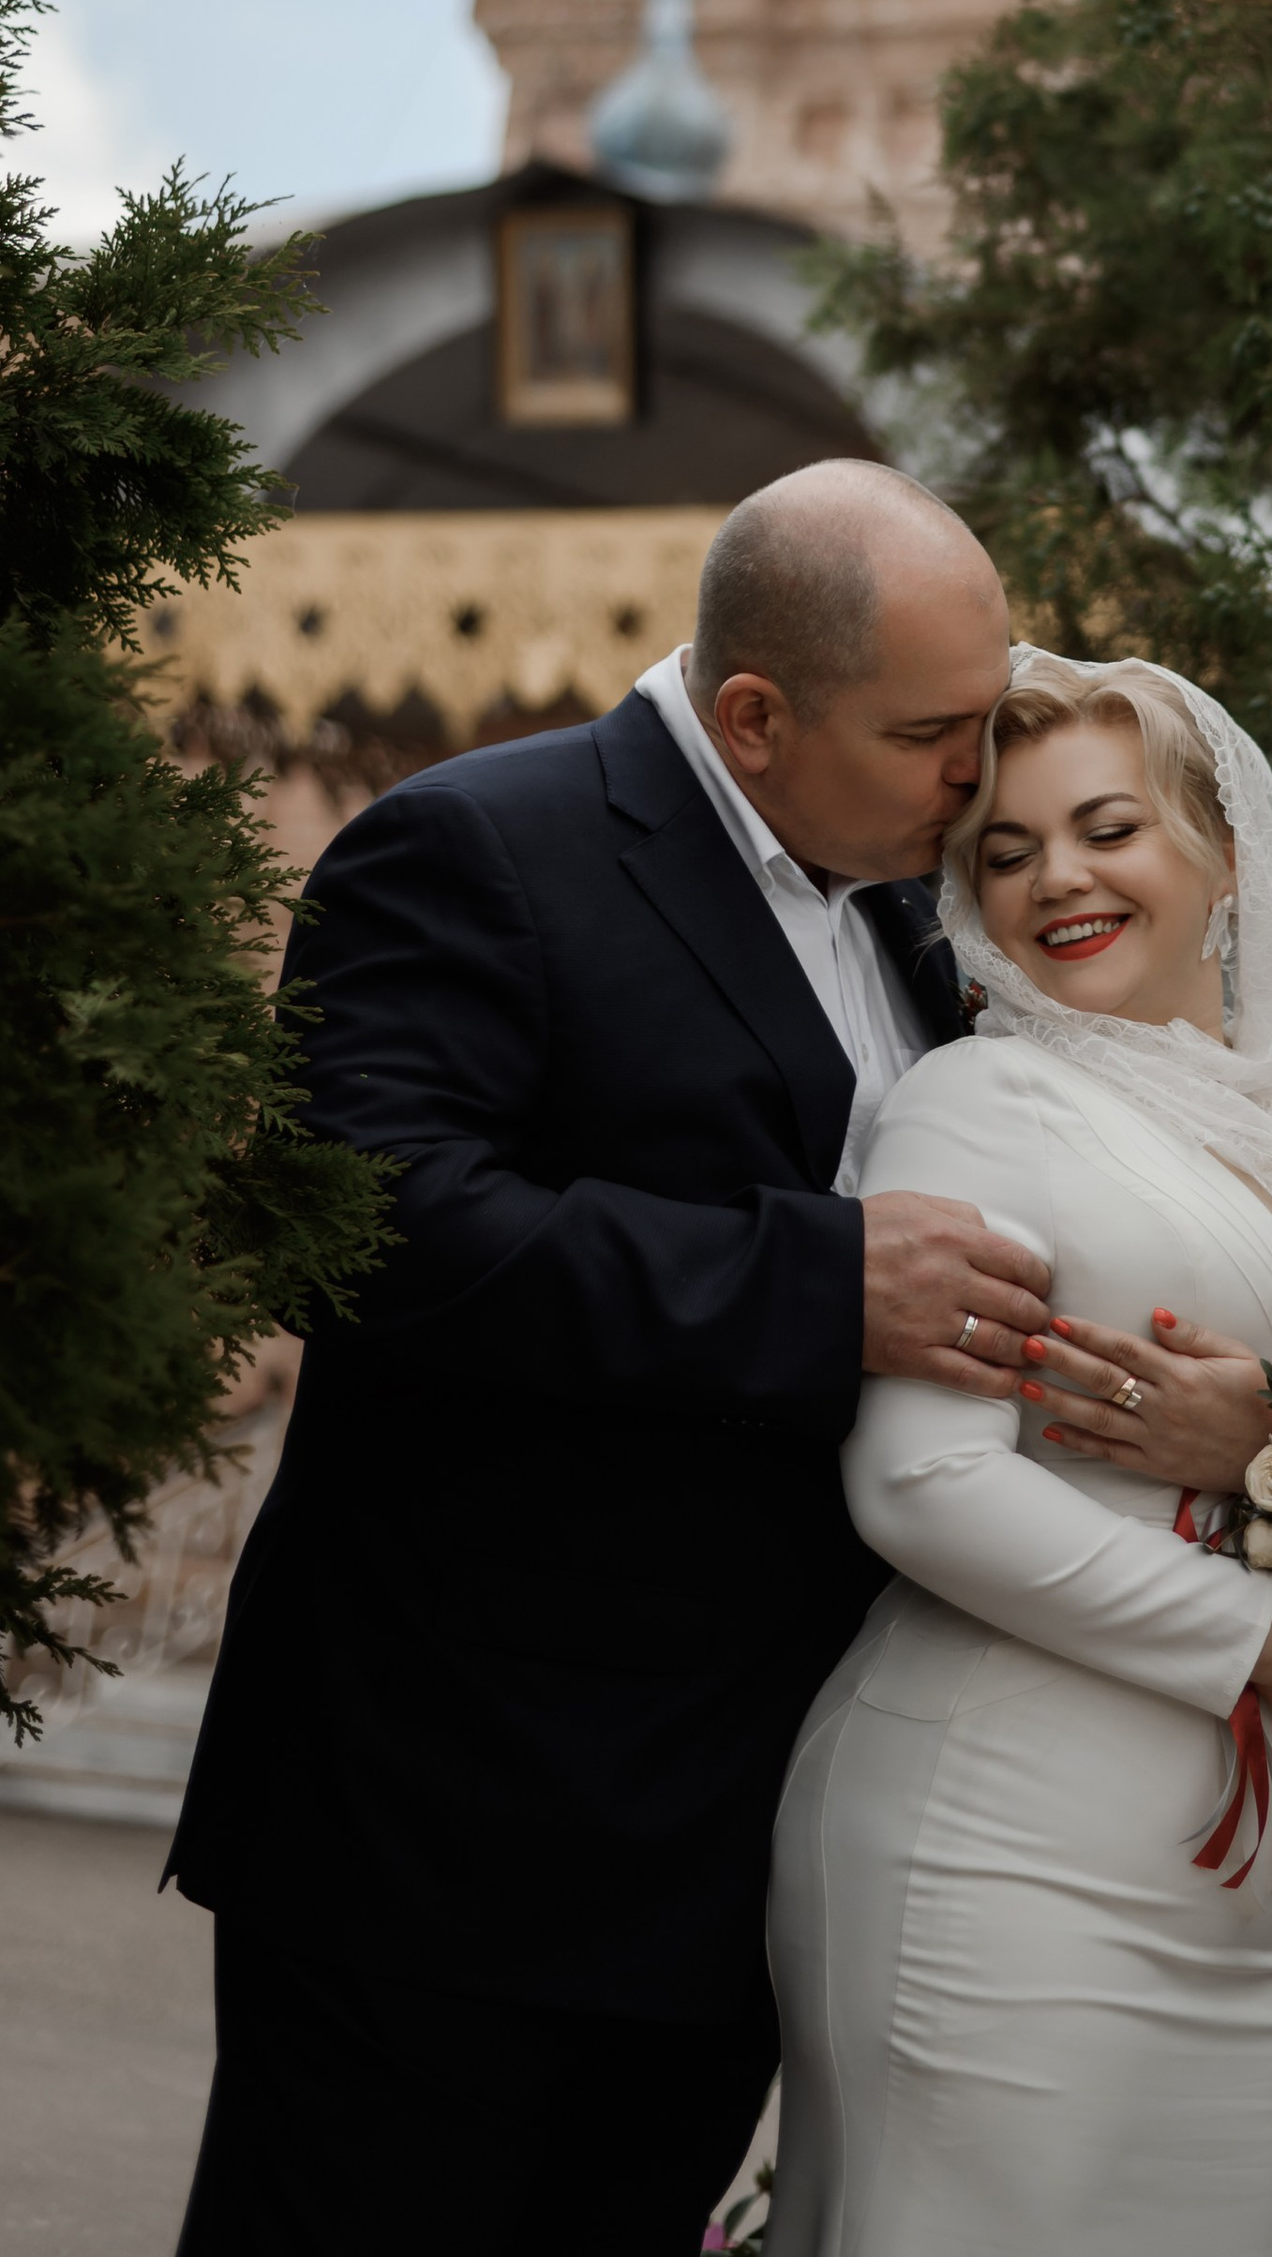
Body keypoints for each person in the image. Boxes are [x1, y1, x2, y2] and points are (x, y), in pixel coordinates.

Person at [168, 464, 1058, 2254]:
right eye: (934, 736)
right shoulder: (480, 846)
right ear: (754, 716)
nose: (980, 781)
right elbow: (381, 1225)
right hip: (452, 1844)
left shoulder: (910, 905)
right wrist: (818, 1287)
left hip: (728, 1845)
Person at [768, 651, 1272, 2257]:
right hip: (1002, 1835)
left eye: (1107, 828)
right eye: (1004, 853)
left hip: (1248, 1890)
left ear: (1222, 854)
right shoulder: (978, 1103)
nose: (1056, 876)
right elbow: (920, 1483)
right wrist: (1268, 1638)